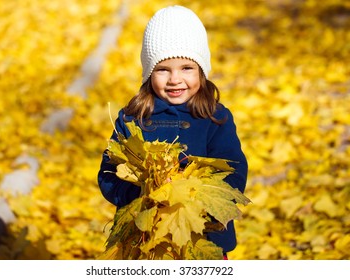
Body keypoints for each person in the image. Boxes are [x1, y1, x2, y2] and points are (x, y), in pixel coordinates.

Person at [98, 5, 248, 258]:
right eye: (163, 69)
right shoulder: (132, 119)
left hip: (203, 236)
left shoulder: (215, 118)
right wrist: (143, 193)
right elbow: (109, 174)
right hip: (144, 242)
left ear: (201, 71)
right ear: (148, 73)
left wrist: (196, 201)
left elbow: (233, 171)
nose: (175, 79)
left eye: (186, 68)